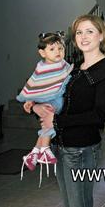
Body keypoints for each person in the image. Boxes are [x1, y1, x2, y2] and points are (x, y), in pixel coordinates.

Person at [36, 15, 105, 207]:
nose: (83, 36)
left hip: (80, 149)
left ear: (101, 35)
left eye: (90, 31)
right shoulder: (75, 68)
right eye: (79, 32)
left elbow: (98, 117)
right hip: (60, 145)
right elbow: (60, 101)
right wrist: (37, 106)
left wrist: (56, 121)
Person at [17, 31, 73, 172]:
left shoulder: (63, 64)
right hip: (48, 102)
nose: (58, 52)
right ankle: (44, 150)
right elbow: (34, 84)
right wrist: (30, 100)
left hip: (56, 98)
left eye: (60, 48)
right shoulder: (41, 68)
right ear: (42, 53)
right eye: (52, 49)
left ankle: (34, 153)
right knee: (50, 114)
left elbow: (68, 77)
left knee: (48, 121)